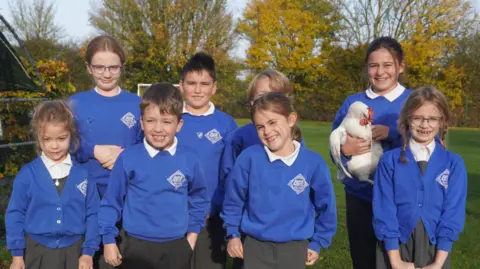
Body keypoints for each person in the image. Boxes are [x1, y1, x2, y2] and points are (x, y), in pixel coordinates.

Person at [99, 83, 210, 269]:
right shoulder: (128, 158)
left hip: (176, 247)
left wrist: (191, 237)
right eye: (151, 121)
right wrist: (108, 240)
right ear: (141, 122)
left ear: (179, 124)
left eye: (166, 122)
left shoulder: (189, 159)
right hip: (135, 247)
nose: (158, 129)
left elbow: (200, 199)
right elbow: (111, 202)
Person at [222, 92, 337, 269]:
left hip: (295, 246)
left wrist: (318, 241)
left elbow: (326, 207)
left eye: (272, 122)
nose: (267, 131)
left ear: (291, 119)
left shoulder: (313, 163)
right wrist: (233, 235)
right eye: (260, 127)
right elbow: (233, 201)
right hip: (254, 245)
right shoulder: (248, 158)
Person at [330, 36, 412, 269]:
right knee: (364, 260)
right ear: (367, 67)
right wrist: (346, 151)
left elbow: (431, 142)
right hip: (361, 196)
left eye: (387, 65)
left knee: (400, 260)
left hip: (402, 197)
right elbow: (335, 146)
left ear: (400, 66)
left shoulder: (413, 100)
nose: (380, 72)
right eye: (373, 65)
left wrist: (395, 133)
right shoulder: (353, 102)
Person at [373, 86, 467, 269]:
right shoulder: (389, 161)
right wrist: (395, 261)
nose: (425, 125)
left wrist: (438, 263)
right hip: (395, 248)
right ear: (408, 119)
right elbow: (384, 210)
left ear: (442, 121)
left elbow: (452, 213)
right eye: (418, 118)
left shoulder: (453, 163)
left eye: (432, 119)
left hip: (435, 250)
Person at [6, 100, 100, 269]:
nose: (54, 146)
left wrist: (88, 252)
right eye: (47, 139)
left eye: (61, 138)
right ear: (38, 138)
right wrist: (17, 255)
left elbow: (93, 213)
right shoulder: (27, 175)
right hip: (36, 252)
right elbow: (15, 214)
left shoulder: (83, 175)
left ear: (71, 135)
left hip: (75, 252)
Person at [176, 52, 237, 269]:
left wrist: (215, 206)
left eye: (204, 83)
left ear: (214, 87)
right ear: (181, 85)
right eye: (192, 83)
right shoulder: (169, 120)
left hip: (211, 218)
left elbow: (231, 174)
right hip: (172, 215)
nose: (198, 89)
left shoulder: (226, 124)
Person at [68, 35, 142, 197]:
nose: (106, 74)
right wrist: (94, 150)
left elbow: (148, 144)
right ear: (89, 67)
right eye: (99, 67)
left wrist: (125, 156)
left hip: (128, 194)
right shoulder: (75, 103)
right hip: (85, 195)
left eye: (113, 67)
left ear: (122, 67)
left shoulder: (138, 104)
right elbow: (63, 142)